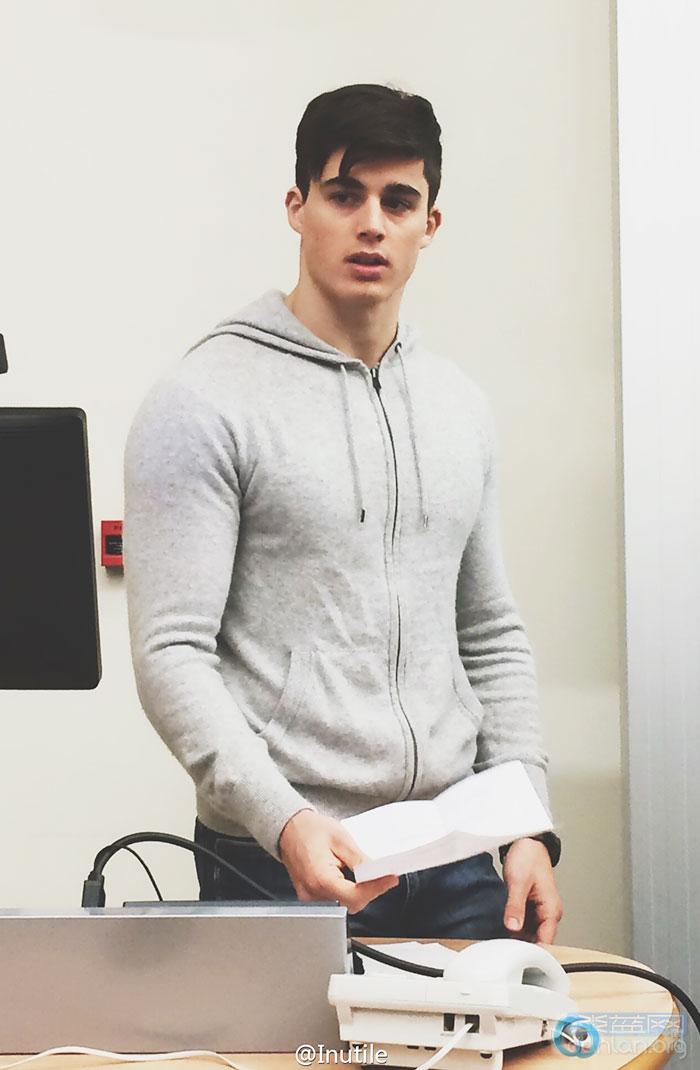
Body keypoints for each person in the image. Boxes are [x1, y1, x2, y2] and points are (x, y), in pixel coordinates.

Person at [123, 82, 563, 942]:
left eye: (398, 201)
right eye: (344, 195)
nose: (371, 224)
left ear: (430, 223)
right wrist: (282, 820)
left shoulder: (459, 406)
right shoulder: (203, 400)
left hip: (459, 853)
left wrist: (526, 821)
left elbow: (490, 632)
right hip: (280, 859)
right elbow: (171, 655)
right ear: (297, 207)